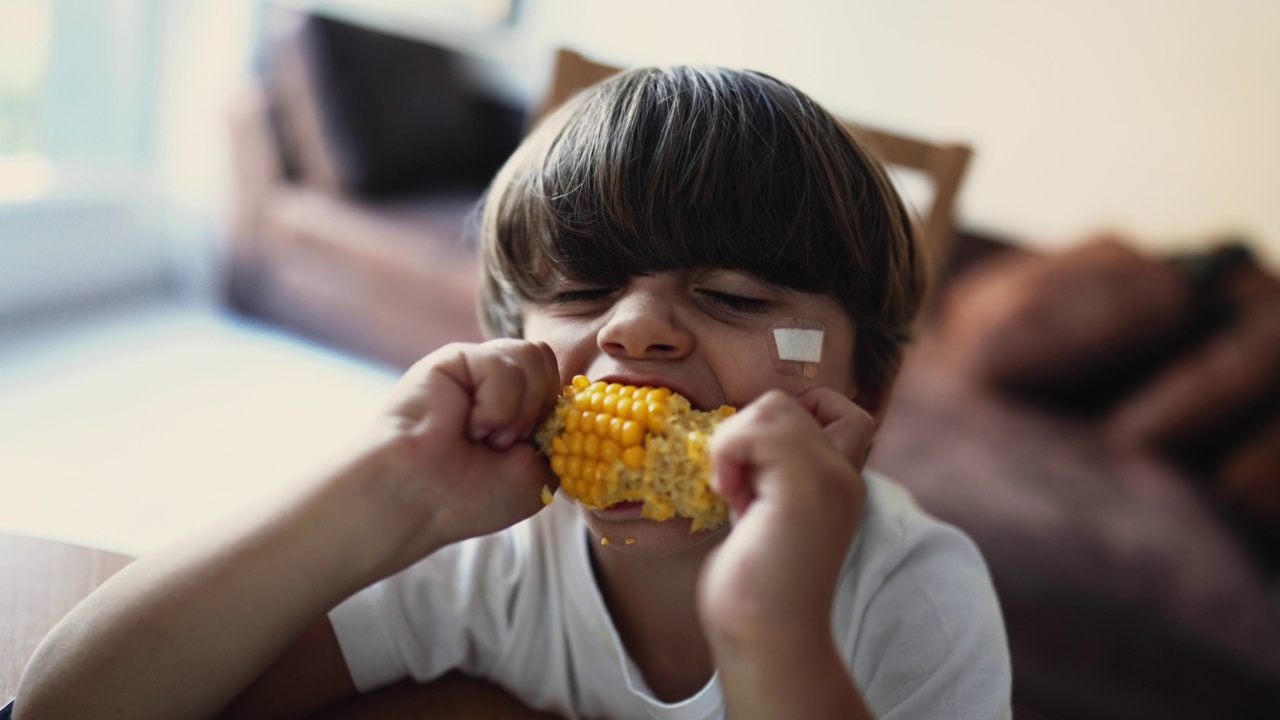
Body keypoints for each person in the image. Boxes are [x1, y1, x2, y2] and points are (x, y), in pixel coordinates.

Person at [16, 64, 1011, 719]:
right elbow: (70, 707)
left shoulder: (910, 595)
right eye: (580, 293)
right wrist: (383, 489)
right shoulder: (486, 547)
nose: (630, 329)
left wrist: (769, 624)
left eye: (733, 298)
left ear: (863, 386)